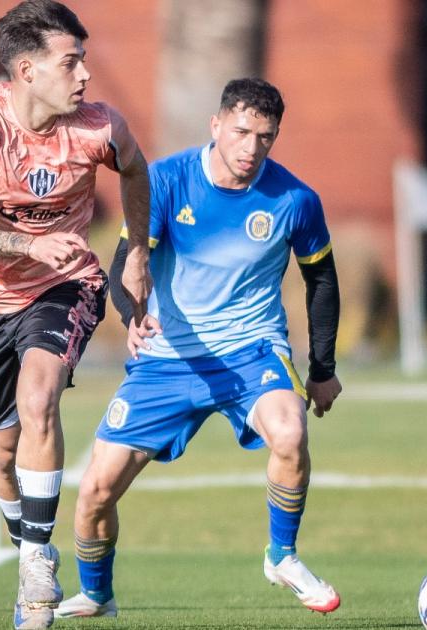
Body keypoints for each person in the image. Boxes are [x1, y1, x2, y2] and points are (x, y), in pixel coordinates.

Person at [55, 78, 342, 619]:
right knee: (95, 490)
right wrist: (131, 315)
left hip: (251, 352)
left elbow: (321, 281)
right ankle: (96, 593)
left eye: (265, 137)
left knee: (290, 432)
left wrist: (322, 369)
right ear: (216, 125)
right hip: (167, 360)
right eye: (241, 132)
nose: (251, 148)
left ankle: (282, 555)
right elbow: (125, 264)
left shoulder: (296, 200)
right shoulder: (165, 181)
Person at [0, 1, 151, 628]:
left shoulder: (99, 127)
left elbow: (137, 171)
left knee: (39, 397)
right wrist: (29, 244)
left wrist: (137, 251)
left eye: (84, 60)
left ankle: (35, 566)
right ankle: (31, 548)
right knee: (4, 452)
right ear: (27, 70)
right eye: (70, 62)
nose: (85, 74)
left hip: (64, 284)